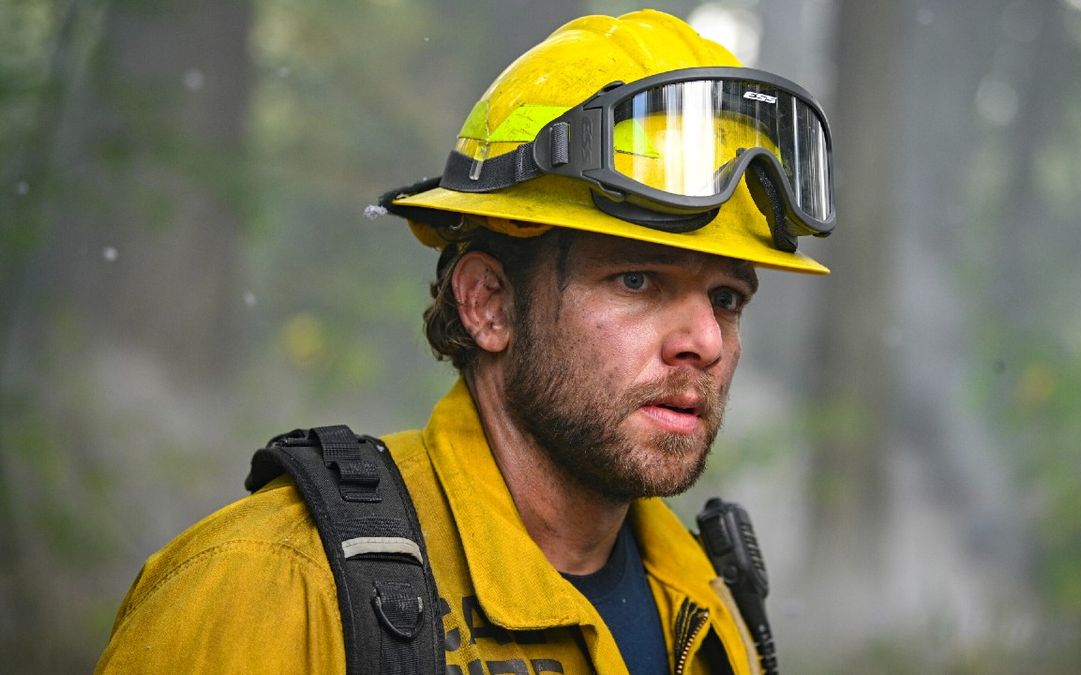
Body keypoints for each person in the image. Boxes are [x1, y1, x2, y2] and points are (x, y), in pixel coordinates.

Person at [97, 8, 834, 674]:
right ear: (488, 303)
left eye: (727, 297)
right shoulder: (276, 587)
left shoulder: (707, 610)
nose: (704, 340)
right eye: (638, 280)